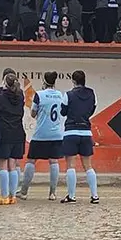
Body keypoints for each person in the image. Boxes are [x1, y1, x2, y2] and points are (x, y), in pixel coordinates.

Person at [23, 71, 68, 200]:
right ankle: (52, 193)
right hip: (56, 134)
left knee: (31, 160)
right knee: (53, 161)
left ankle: (24, 191)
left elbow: (33, 113)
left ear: (44, 81)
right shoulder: (60, 95)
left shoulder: (39, 95)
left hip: (40, 134)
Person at [62, 70, 99, 204]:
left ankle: (71, 196)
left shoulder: (68, 94)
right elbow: (93, 108)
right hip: (86, 132)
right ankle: (94, 195)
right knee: (88, 166)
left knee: (71, 165)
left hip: (71, 131)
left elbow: (63, 111)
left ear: (73, 81)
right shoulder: (91, 93)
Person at [0, 71, 26, 206]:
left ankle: (4, 196)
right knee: (13, 164)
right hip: (18, 132)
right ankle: (13, 196)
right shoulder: (20, 96)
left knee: (2, 165)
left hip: (4, 132)